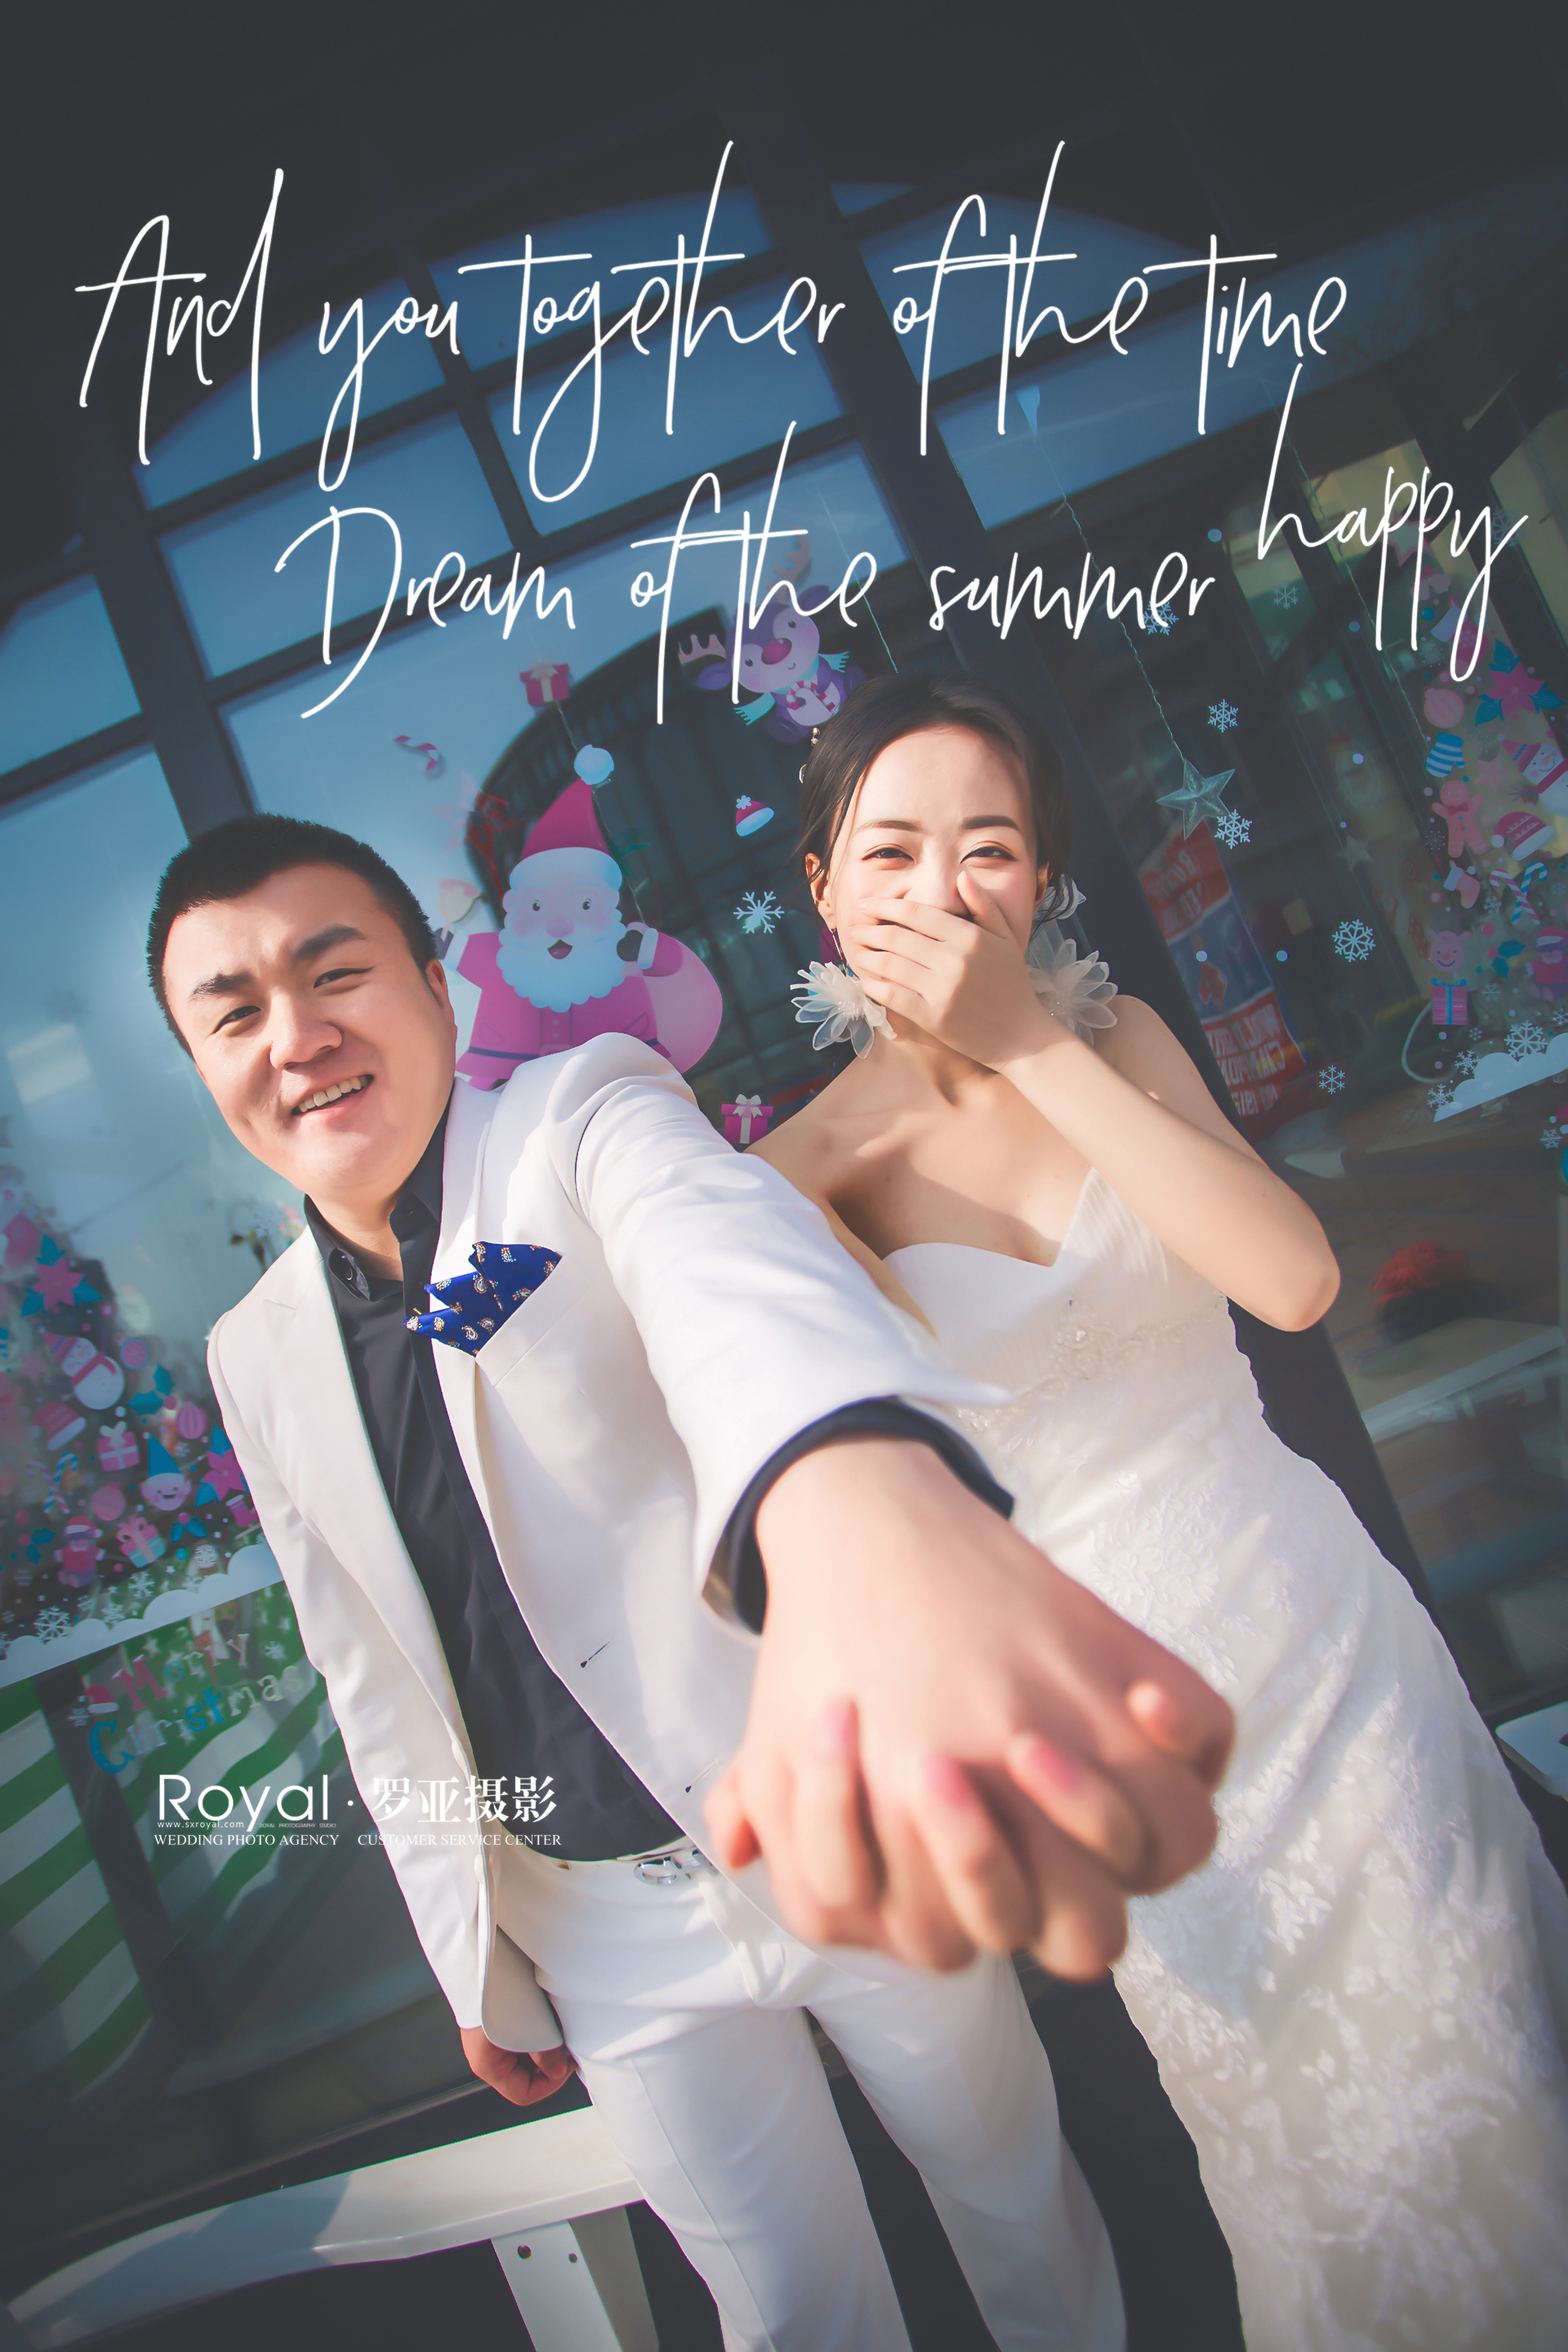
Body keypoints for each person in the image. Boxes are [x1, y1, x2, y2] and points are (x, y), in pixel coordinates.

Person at [146, 813, 1234, 2352]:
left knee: (1014, 2202)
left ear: (437, 987)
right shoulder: (252, 1354)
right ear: (204, 1066)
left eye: (336, 974)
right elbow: (367, 1670)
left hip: (829, 1816)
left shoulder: (584, 1113)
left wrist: (844, 1468)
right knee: (788, 2316)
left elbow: (726, 1275)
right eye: (236, 1011)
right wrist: (469, 1951)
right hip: (603, 1933)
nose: (298, 1036)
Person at [755, 670, 1568, 2352]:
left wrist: (1031, 1044)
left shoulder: (1110, 1037)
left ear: (1043, 877)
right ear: (824, 889)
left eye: (988, 846)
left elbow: (1294, 1282)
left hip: (1321, 1642)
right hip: (1115, 1739)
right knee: (1308, 2158)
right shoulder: (797, 1183)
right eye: (891, 851)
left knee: (1489, 2044)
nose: (940, 889)